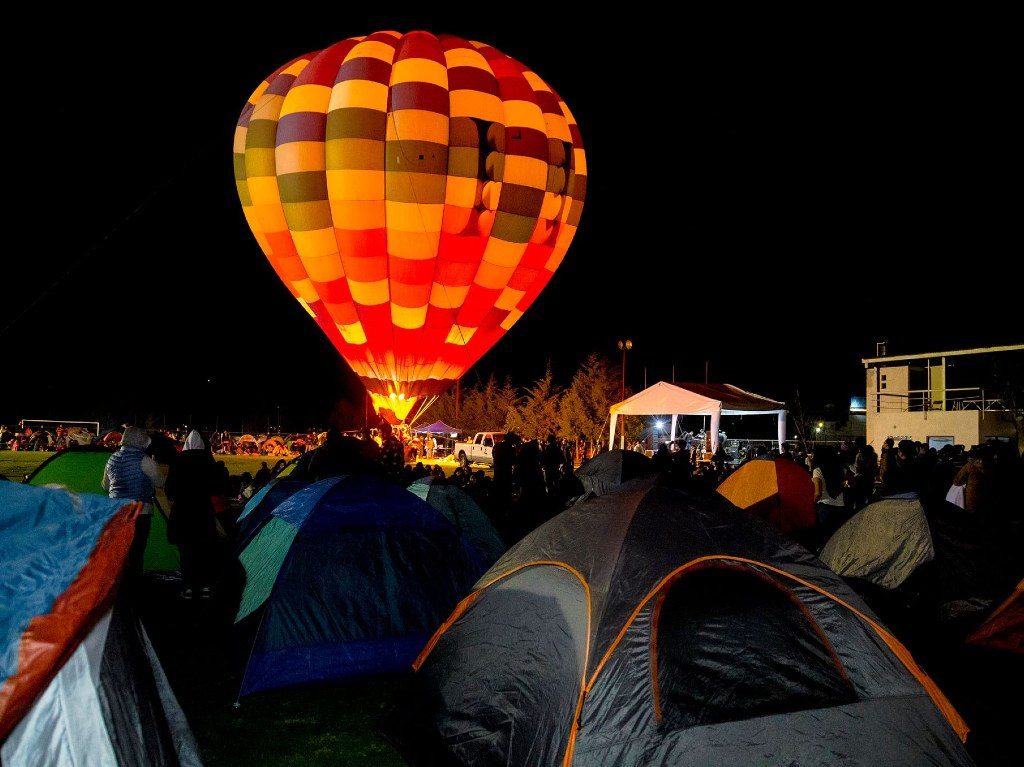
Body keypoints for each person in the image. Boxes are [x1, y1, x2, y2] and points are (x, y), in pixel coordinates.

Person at [102, 426, 165, 588]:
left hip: (117, 512)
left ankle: (118, 585)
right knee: (136, 552)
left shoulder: (112, 458)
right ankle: (134, 587)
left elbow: (105, 485)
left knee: (121, 551)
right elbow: (160, 482)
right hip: (140, 511)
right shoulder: (145, 460)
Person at [165, 430, 219, 600]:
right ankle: (205, 586)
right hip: (203, 512)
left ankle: (188, 586)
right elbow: (217, 487)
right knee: (204, 549)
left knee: (186, 550)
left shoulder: (178, 461)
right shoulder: (209, 461)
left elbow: (170, 490)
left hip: (183, 512)